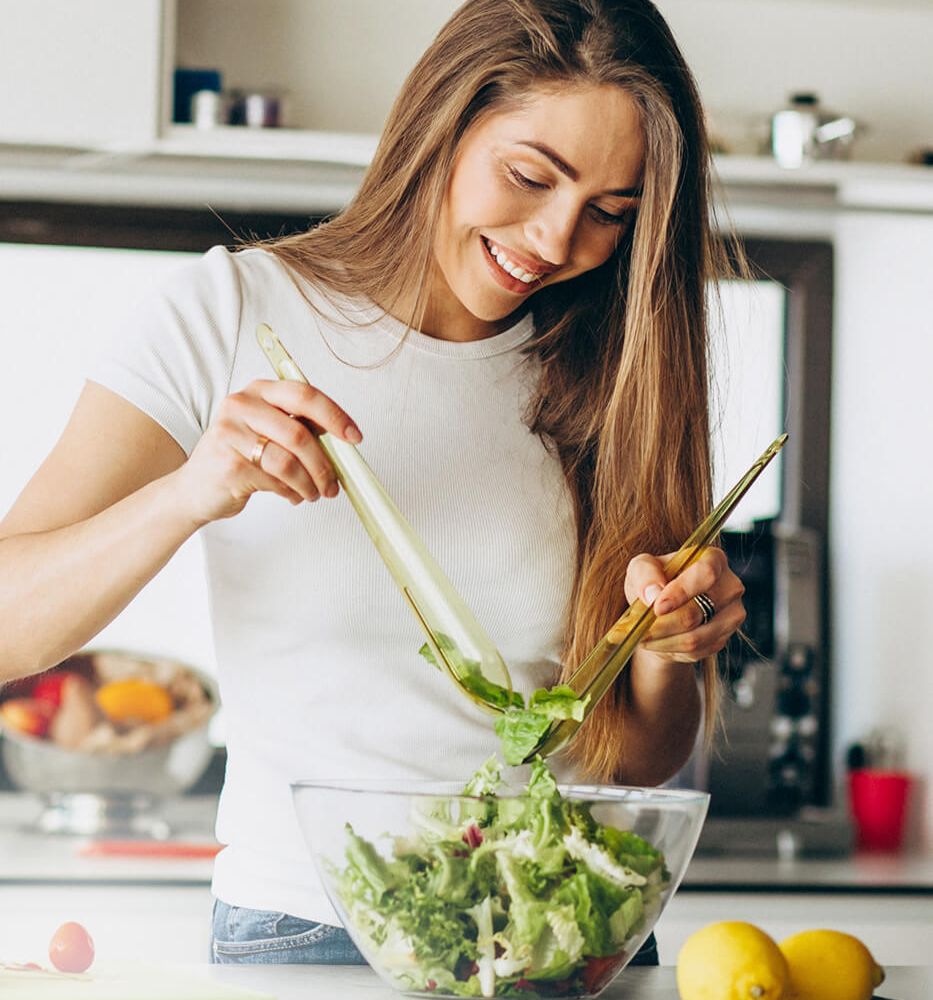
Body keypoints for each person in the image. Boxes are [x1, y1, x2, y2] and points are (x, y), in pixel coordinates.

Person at [0, 0, 746, 969]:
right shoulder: (228, 312)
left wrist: (666, 649)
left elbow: (636, 760)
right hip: (311, 929)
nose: (559, 240)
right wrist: (190, 491)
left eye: (612, 212)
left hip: (569, 934)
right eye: (530, 176)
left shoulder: (617, 371)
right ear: (443, 122)